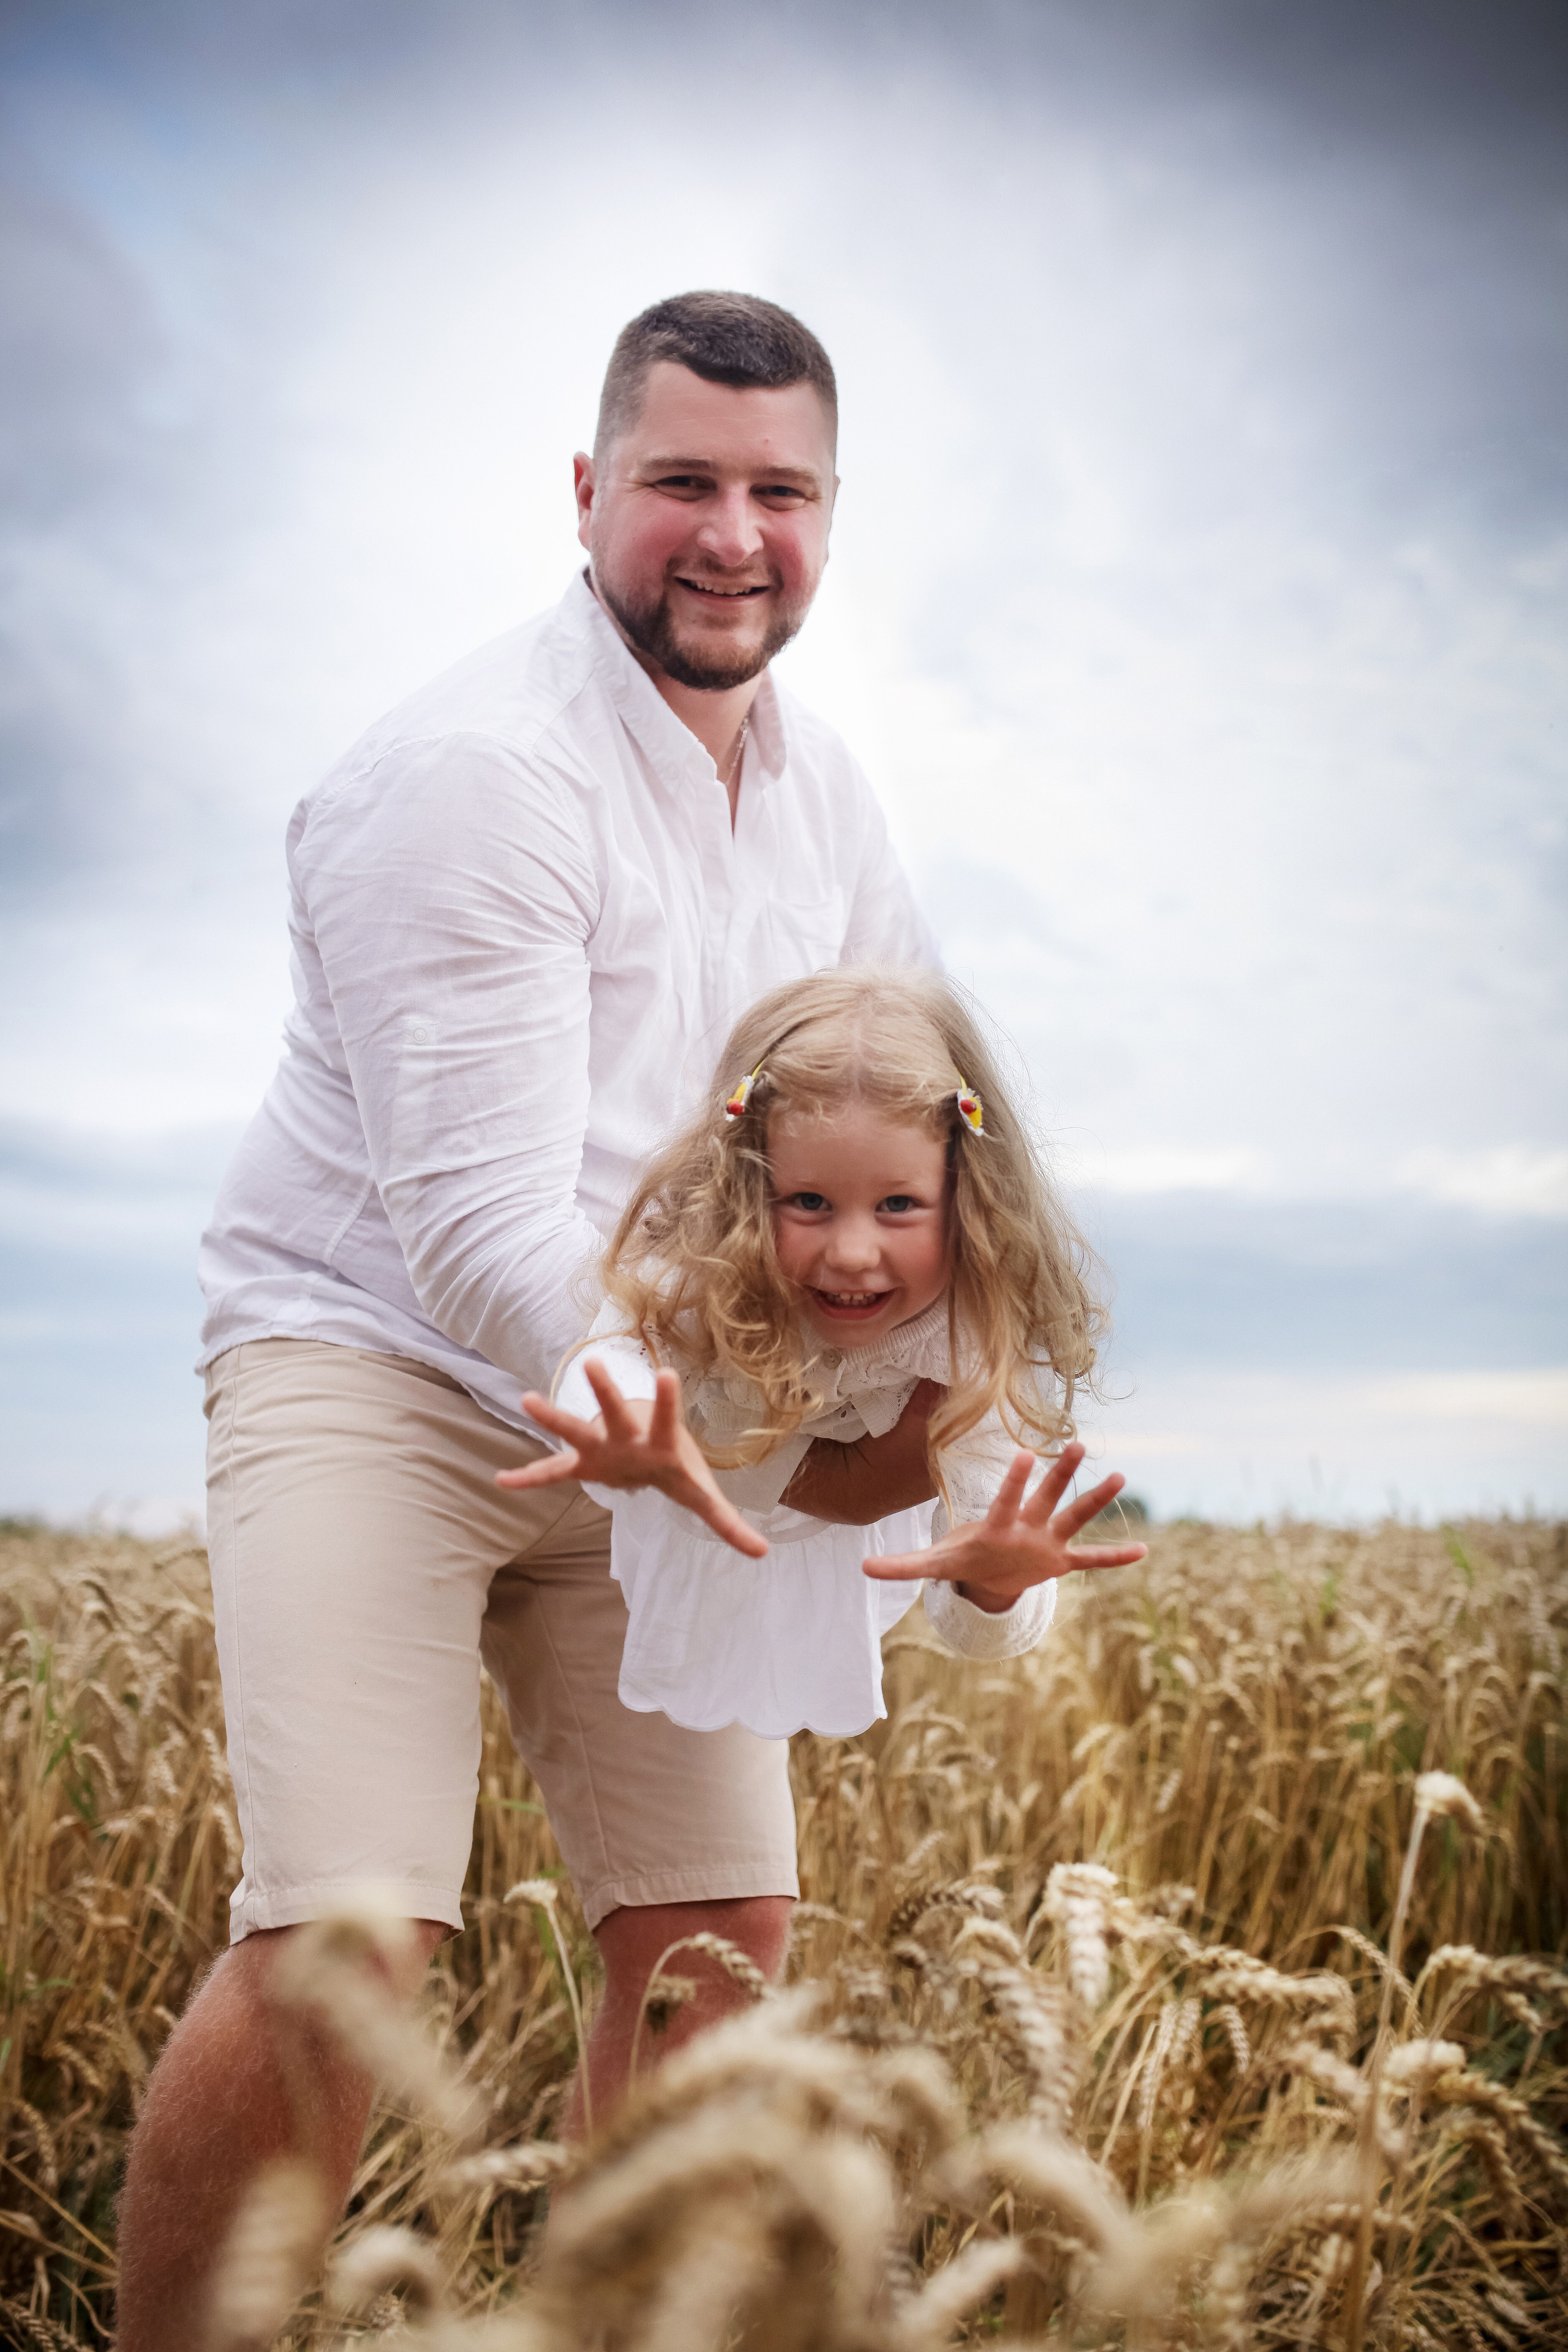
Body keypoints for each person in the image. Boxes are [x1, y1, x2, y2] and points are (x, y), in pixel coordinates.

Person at [116, 292, 948, 2348]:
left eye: (781, 492)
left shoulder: (829, 794)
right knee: (351, 1949)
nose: (732, 534)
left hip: (669, 1394)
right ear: (590, 497)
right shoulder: (473, 777)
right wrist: (671, 1415)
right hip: (375, 1367)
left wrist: (947, 1424)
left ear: (832, 520)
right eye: (683, 484)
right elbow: (478, 1215)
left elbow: (926, 1109)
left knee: (719, 1955)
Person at [505, 967, 1148, 1741]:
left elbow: (975, 1615)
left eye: (898, 1206)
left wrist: (996, 1587)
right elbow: (611, 1355)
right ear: (740, 1186)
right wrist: (636, 1420)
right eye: (808, 1202)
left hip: (850, 1569)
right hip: (683, 1509)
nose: (851, 1251)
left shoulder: (972, 1328)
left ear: (967, 1195)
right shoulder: (702, 1253)